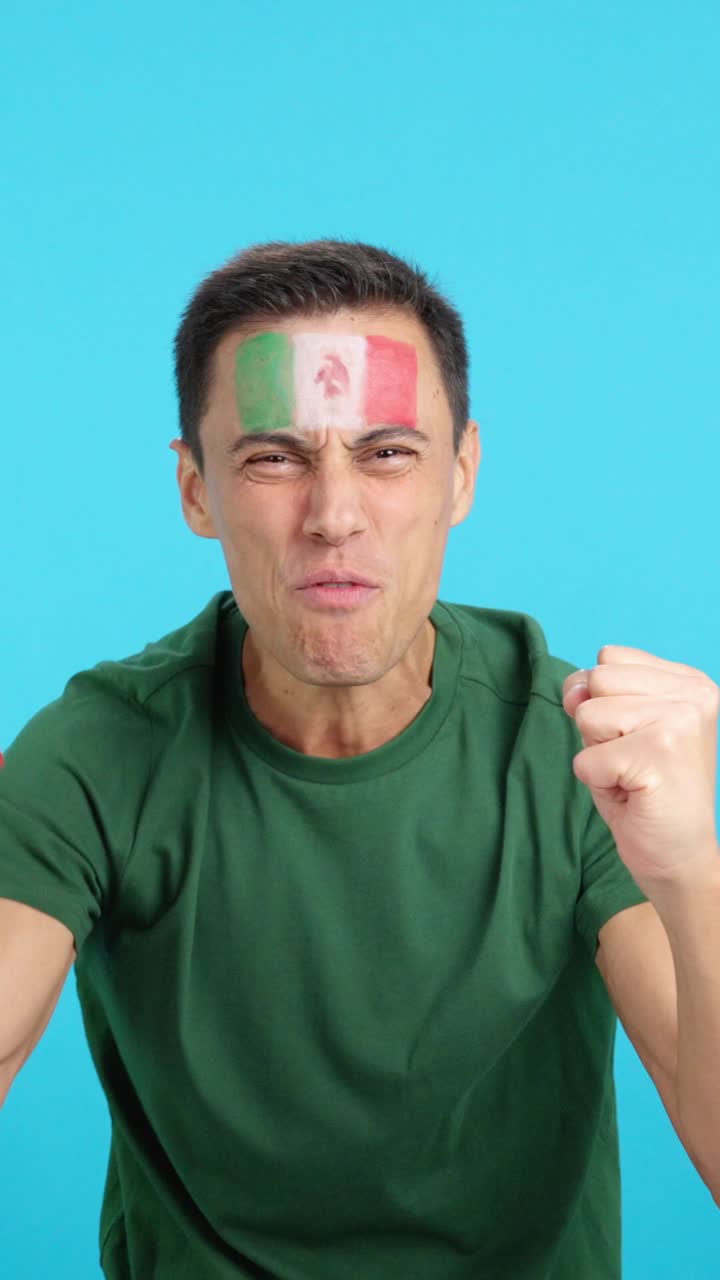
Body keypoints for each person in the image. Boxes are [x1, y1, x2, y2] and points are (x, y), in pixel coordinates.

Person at [0, 240, 652, 1279]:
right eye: (274, 456)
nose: (334, 514)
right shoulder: (97, 751)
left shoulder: (575, 749)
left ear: (461, 474)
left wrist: (694, 868)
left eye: (387, 451)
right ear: (197, 488)